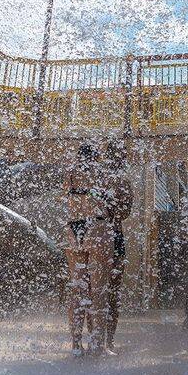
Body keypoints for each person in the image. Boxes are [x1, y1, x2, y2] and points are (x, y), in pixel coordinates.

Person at [64, 143, 114, 356]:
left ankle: (76, 345)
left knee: (78, 289)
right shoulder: (103, 173)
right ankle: (97, 344)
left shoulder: (71, 173)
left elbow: (65, 197)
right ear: (97, 157)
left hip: (73, 228)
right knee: (99, 290)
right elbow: (112, 205)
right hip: (97, 227)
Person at [102, 139, 133, 351]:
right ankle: (108, 342)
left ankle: (96, 341)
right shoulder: (122, 182)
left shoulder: (97, 180)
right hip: (113, 238)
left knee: (94, 292)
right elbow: (125, 213)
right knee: (112, 292)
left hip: (97, 237)